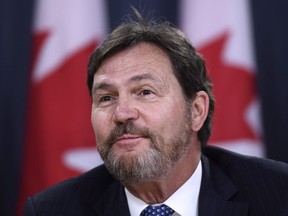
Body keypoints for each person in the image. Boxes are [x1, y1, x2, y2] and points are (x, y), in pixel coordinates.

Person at [23, 9, 288, 216]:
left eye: (145, 92)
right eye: (106, 97)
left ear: (196, 111)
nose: (122, 113)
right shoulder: (51, 210)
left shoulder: (277, 194)